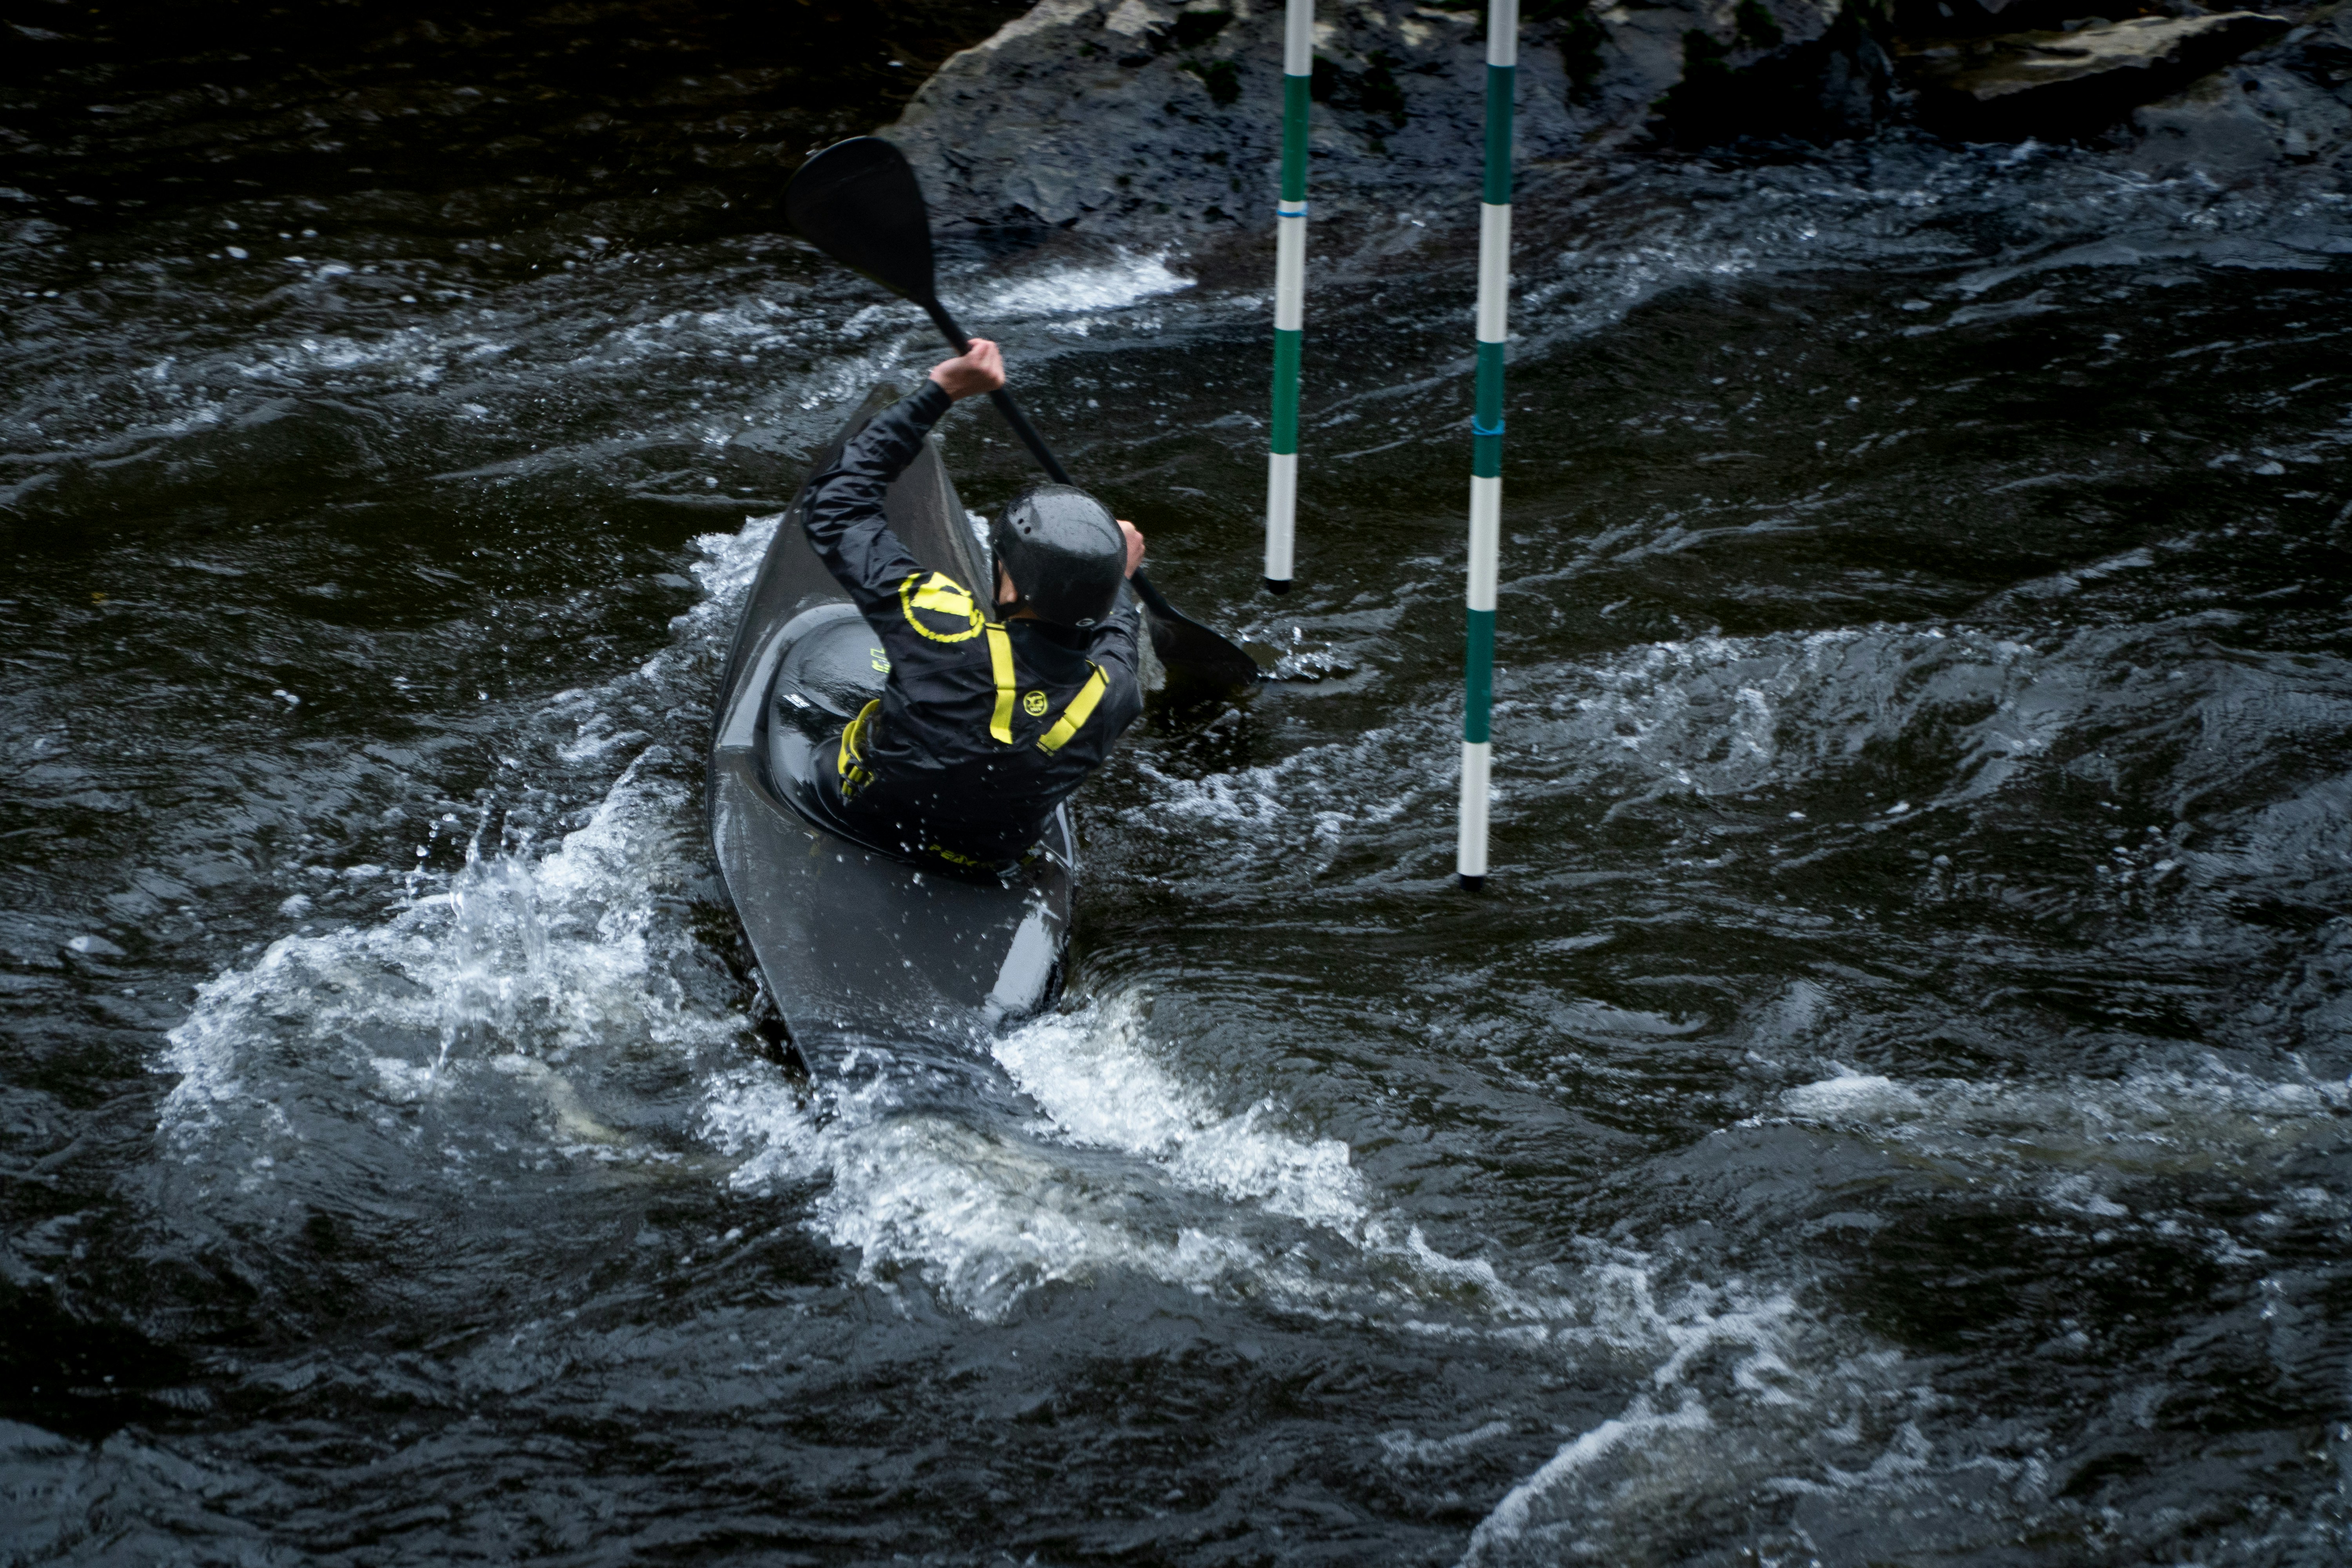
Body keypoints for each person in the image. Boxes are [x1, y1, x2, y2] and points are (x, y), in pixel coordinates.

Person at [800, 338, 1147, 873]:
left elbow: (835, 504)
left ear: (1008, 590)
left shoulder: (941, 627)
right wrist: (1117, 578)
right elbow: (1118, 631)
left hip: (860, 818)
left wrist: (940, 392)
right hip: (988, 863)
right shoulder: (1117, 692)